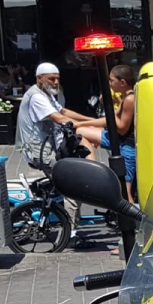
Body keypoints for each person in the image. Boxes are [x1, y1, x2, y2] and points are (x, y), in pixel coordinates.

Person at [15, 62, 96, 249]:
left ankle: (65, 215)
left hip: (47, 147)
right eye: (51, 79)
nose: (56, 82)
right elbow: (60, 119)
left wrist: (93, 120)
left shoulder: (46, 94)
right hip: (40, 151)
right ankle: (71, 235)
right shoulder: (36, 97)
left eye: (58, 78)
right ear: (39, 79)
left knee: (71, 177)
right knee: (73, 187)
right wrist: (95, 126)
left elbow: (63, 111)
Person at [76, 65, 136, 203]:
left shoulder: (130, 99)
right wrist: (82, 124)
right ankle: (92, 166)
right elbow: (109, 119)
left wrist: (109, 103)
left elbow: (122, 128)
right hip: (117, 140)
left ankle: (132, 217)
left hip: (127, 146)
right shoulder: (125, 98)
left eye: (111, 80)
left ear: (122, 82)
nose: (109, 84)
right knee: (80, 131)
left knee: (124, 191)